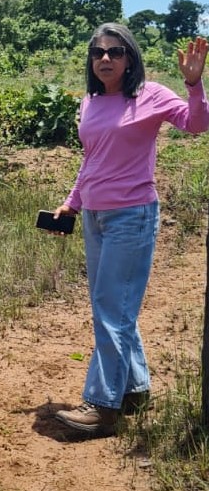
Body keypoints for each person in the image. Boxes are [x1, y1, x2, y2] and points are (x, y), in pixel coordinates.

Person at [51, 23, 209, 437]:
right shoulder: (90, 101)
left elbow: (196, 125)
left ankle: (103, 407)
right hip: (95, 217)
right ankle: (135, 389)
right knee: (116, 307)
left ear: (130, 57)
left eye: (115, 52)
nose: (105, 58)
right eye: (98, 51)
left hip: (132, 215)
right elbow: (92, 160)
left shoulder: (151, 94)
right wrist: (73, 201)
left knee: (111, 309)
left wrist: (194, 85)